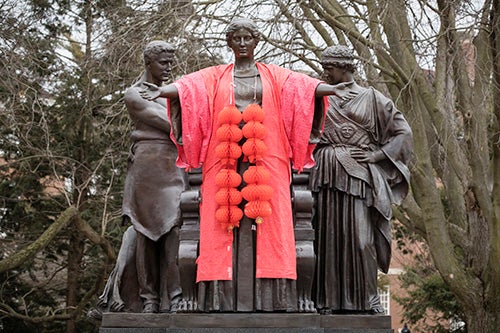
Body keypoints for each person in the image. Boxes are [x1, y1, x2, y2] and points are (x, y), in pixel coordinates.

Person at [140, 18, 349, 312]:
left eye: (247, 38)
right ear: (229, 42)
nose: (241, 43)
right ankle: (219, 299)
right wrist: (162, 92)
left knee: (271, 223)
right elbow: (189, 89)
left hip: (266, 156)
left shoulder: (273, 75)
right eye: (235, 38)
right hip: (224, 158)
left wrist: (329, 90)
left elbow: (302, 88)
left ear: (256, 41)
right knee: (220, 223)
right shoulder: (216, 75)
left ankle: (273, 299)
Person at [310, 45, 413, 314]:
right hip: (327, 173)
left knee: (362, 239)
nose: (324, 73)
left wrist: (379, 155)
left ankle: (369, 297)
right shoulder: (320, 95)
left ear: (343, 68)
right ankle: (327, 300)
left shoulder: (372, 98)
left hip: (359, 176)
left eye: (328, 68)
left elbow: (403, 132)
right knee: (326, 237)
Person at [120, 40, 186, 313]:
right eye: (163, 62)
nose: (169, 68)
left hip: (174, 164)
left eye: (171, 63)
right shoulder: (133, 94)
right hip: (148, 165)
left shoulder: (174, 92)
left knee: (174, 227)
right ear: (148, 62)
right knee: (145, 231)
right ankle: (149, 300)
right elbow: (170, 124)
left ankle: (177, 296)